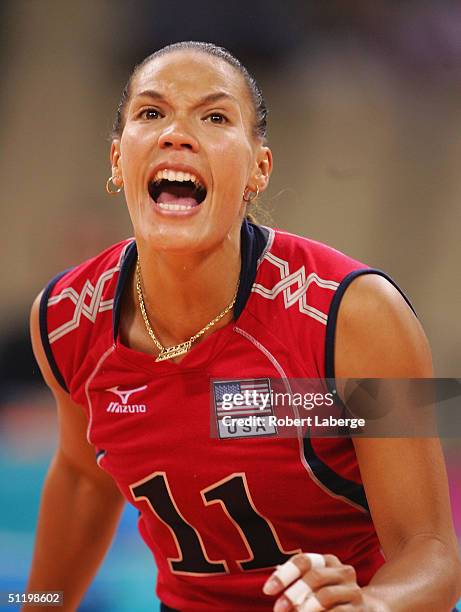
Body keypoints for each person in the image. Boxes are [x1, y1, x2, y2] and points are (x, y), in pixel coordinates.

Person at [26, 41, 461, 612]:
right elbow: (84, 480)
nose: (176, 134)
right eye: (152, 113)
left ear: (260, 168)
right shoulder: (64, 320)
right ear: (116, 160)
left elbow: (431, 554)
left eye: (214, 116)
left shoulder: (354, 315)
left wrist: (374, 607)